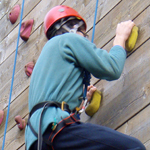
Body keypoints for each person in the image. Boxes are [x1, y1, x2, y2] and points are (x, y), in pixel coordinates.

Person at [25, 5, 146, 150]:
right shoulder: (68, 39)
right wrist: (120, 39)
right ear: (74, 28)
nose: (85, 38)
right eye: (84, 33)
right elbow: (112, 68)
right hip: (56, 130)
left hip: (36, 140)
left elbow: (57, 94)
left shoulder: (46, 61)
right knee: (133, 147)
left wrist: (80, 100)